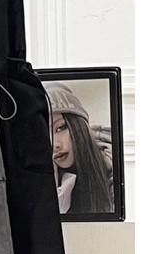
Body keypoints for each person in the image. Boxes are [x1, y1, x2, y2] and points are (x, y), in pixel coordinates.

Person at [44, 82, 114, 214]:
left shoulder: (115, 168)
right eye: (44, 136)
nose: (54, 145)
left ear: (79, 127)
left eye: (60, 128)